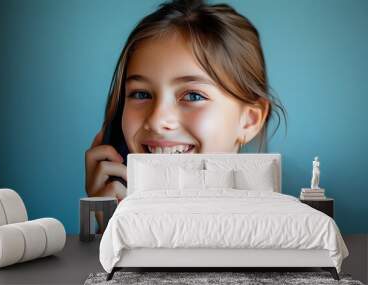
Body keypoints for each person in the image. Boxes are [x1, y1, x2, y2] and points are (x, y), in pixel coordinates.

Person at [85, 0, 286, 230]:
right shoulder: (120, 219)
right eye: (141, 94)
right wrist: (111, 227)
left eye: (192, 96)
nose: (158, 121)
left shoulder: (269, 229)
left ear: (249, 121)